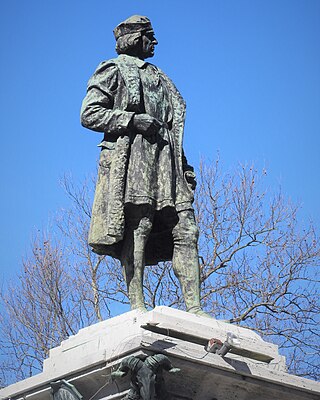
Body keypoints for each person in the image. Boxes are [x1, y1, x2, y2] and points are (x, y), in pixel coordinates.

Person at [81, 15, 206, 315]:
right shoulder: (113, 69)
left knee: (187, 229)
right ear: (136, 38)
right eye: (150, 35)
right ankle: (137, 305)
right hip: (135, 160)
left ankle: (196, 309)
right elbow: (89, 114)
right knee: (140, 227)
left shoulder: (162, 78)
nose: (155, 41)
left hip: (168, 165)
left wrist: (184, 166)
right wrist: (132, 120)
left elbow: (172, 129)